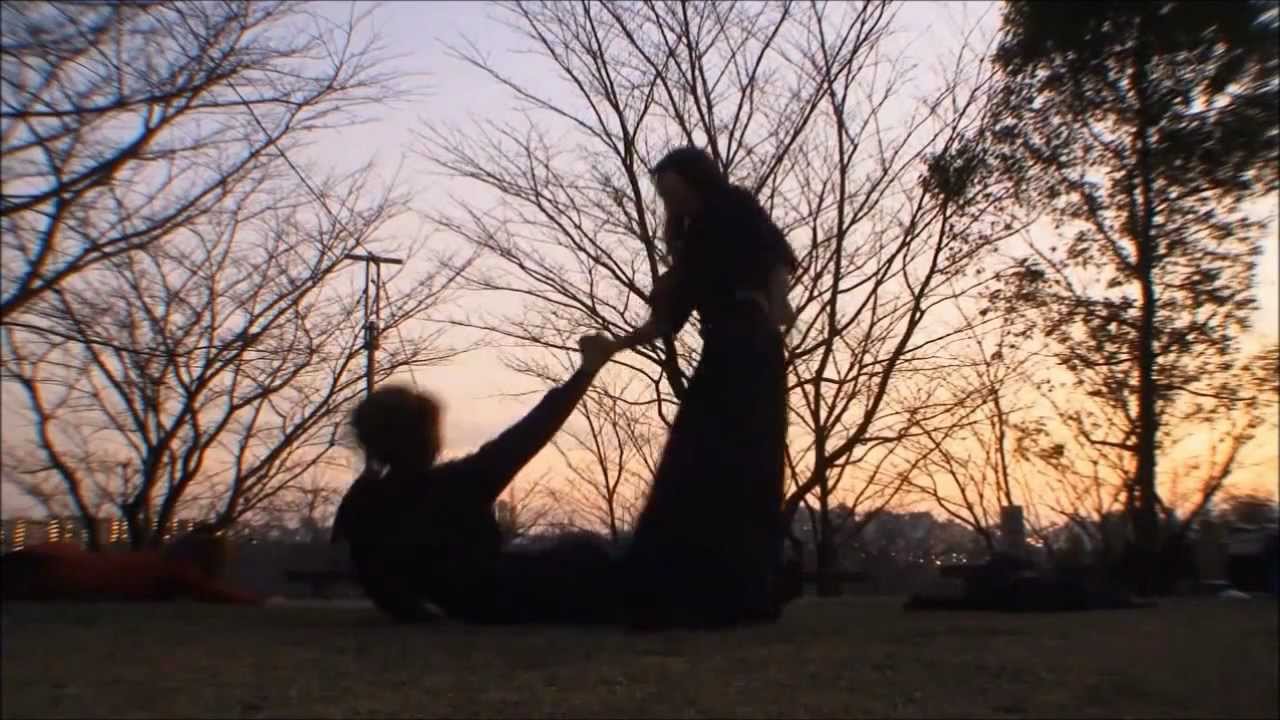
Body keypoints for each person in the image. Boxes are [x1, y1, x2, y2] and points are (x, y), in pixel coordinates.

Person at [608, 146, 798, 630]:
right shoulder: (689, 245)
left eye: (674, 189)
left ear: (696, 180)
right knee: (694, 456)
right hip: (722, 347)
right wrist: (615, 345)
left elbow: (775, 258)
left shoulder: (735, 205)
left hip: (752, 342)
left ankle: (744, 588)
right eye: (664, 195)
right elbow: (665, 323)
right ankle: (685, 587)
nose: (670, 201)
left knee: (747, 458)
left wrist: (778, 304)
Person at [331, 334, 621, 624]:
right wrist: (587, 371)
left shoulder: (360, 502)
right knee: (585, 554)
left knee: (579, 553)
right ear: (426, 438)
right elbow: (531, 433)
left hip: (470, 601)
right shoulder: (458, 484)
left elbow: (376, 579)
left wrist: (420, 614)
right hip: (511, 596)